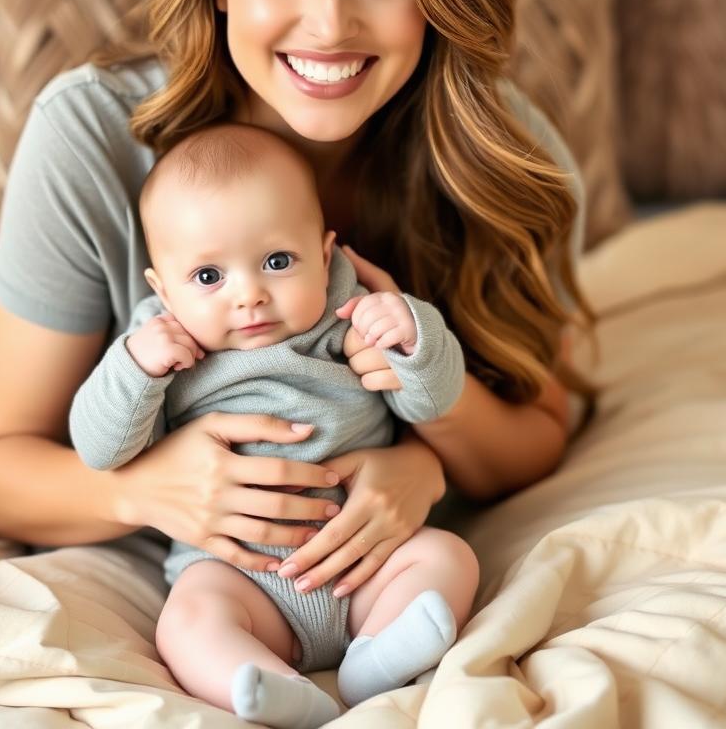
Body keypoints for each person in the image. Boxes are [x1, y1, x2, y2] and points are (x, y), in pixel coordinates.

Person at [0, 0, 597, 708]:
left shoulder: (508, 154)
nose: (329, 25)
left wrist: (423, 454)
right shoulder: (93, 133)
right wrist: (147, 493)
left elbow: (541, 428)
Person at [67, 121, 480, 724]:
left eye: (278, 261)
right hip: (242, 578)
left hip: (366, 562)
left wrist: (413, 335)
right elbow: (100, 449)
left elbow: (432, 403)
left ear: (324, 252)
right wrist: (135, 369)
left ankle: (378, 658)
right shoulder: (161, 350)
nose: (250, 295)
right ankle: (270, 685)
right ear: (163, 287)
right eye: (209, 277)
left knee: (448, 557)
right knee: (188, 619)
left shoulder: (349, 316)